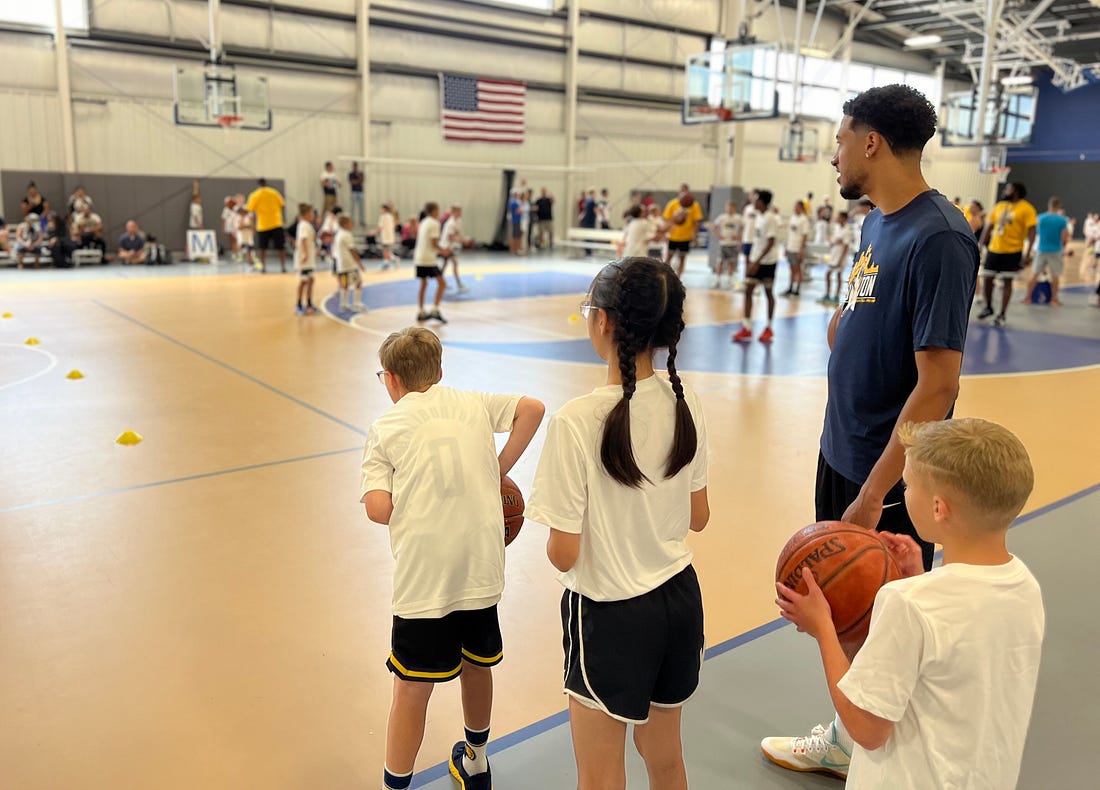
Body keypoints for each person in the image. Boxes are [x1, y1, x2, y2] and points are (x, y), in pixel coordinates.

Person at [760, 83, 979, 780]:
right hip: (841, 448)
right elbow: (865, 310)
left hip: (888, 476)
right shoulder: (875, 224)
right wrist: (845, 326)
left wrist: (873, 492)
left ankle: (880, 756)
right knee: (855, 616)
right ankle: (856, 742)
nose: (833, 155)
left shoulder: (940, 236)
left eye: (838, 139)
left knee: (886, 624)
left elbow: (938, 383)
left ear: (870, 142)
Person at [775, 418, 1044, 789]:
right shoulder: (1024, 586)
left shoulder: (906, 603)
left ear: (938, 508)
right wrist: (920, 577)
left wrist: (823, 629)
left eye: (908, 485)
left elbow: (866, 729)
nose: (902, 494)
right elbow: (955, 652)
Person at [527, 256, 709, 790]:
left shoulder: (576, 421)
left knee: (601, 777)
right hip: (679, 601)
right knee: (667, 759)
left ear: (603, 321)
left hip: (609, 615)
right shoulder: (686, 400)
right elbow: (698, 516)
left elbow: (563, 554)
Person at [362, 328, 544, 790]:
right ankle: (478, 761)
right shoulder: (473, 402)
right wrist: (497, 469)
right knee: (477, 665)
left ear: (392, 381)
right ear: (440, 372)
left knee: (410, 688)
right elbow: (533, 408)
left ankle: (394, 785)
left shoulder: (387, 426)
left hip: (426, 580)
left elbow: (378, 510)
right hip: (481, 568)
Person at [978, 182, 1037, 327]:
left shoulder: (1027, 209)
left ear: (1015, 191)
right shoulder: (999, 206)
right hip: (994, 249)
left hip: (1013, 251)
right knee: (987, 278)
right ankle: (988, 307)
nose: (1005, 191)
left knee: (1007, 282)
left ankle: (1002, 314)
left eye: (1008, 188)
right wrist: (979, 245)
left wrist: (1028, 253)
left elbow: (1032, 231)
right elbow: (990, 226)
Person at [731, 189, 779, 342]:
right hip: (755, 259)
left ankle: (769, 328)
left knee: (768, 293)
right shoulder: (759, 216)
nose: (754, 202)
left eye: (757, 200)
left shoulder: (770, 218)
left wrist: (756, 262)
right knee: (748, 291)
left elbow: (770, 243)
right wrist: (751, 260)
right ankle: (746, 327)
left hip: (767, 262)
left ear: (763, 202)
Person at [1022, 196, 1071, 306]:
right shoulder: (1062, 220)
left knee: (1034, 274)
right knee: (1055, 275)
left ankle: (1028, 297)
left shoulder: (1040, 218)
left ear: (1048, 205)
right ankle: (1054, 299)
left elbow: (1035, 233)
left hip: (1041, 249)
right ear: (1059, 206)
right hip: (1056, 250)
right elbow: (1064, 237)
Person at [414, 202, 447, 323]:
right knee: (442, 283)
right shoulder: (434, 223)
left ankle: (421, 311)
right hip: (428, 259)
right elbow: (433, 242)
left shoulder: (423, 222)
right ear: (434, 211)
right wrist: (443, 251)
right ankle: (435, 309)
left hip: (419, 257)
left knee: (423, 284)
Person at [245, 178, 287, 273]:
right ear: (266, 184)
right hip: (277, 222)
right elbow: (282, 205)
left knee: (262, 248)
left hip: (263, 225)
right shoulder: (274, 192)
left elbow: (249, 209)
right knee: (281, 247)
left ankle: (263, 267)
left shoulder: (255, 195)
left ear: (258, 185)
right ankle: (283, 266)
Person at [662, 192, 703, 277]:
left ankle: (678, 277)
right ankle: (665, 275)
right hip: (673, 236)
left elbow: (696, 222)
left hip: (686, 237)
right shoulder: (672, 204)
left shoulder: (694, 205)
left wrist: (695, 236)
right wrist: (666, 232)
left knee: (682, 259)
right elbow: (666, 219)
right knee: (668, 257)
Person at [820, 210, 852, 305]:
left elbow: (846, 247)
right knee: (828, 274)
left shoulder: (847, 231)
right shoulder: (837, 228)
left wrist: (841, 260)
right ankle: (827, 294)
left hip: (840, 257)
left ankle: (836, 296)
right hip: (833, 254)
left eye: (839, 217)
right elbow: (834, 241)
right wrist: (831, 241)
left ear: (844, 219)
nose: (837, 219)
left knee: (838, 276)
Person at [710, 199, 744, 290]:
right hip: (723, 243)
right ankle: (717, 280)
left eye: (731, 208)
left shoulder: (738, 218)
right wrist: (719, 235)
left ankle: (729, 281)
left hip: (733, 243)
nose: (729, 209)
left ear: (734, 208)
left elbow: (744, 228)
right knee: (720, 262)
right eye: (728, 207)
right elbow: (714, 226)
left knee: (731, 262)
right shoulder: (722, 217)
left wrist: (739, 237)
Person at [334, 215, 365, 312]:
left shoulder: (338, 234)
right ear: (346, 224)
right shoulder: (347, 235)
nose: (352, 225)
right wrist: (359, 263)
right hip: (349, 264)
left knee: (345, 284)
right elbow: (352, 250)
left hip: (341, 264)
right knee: (358, 282)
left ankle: (344, 304)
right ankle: (356, 303)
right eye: (350, 223)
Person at [439, 206, 471, 294]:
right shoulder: (450, 223)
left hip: (449, 246)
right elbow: (450, 238)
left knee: (445, 265)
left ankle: (441, 282)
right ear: (453, 212)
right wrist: (463, 240)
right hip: (445, 246)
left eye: (460, 211)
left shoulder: (458, 221)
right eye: (458, 212)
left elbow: (457, 233)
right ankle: (459, 284)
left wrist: (463, 238)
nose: (460, 213)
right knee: (454, 263)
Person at [293, 204, 318, 315]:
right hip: (304, 259)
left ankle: (309, 303)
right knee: (303, 281)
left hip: (309, 258)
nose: (313, 215)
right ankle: (298, 304)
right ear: (306, 214)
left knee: (311, 280)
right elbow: (303, 240)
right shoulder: (303, 225)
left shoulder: (307, 225)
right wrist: (306, 254)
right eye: (311, 213)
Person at [783, 199, 810, 297]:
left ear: (801, 207)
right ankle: (790, 287)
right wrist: (786, 247)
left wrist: (801, 250)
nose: (795, 208)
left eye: (797, 206)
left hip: (797, 248)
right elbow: (789, 234)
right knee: (791, 268)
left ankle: (797, 289)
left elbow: (805, 236)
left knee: (797, 269)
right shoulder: (792, 218)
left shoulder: (804, 219)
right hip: (790, 246)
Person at [375, 202, 398, 270]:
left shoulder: (383, 216)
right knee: (387, 251)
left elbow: (380, 227)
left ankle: (388, 262)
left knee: (385, 250)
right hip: (390, 236)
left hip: (386, 236)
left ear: (384, 209)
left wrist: (374, 232)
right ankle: (392, 261)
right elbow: (394, 226)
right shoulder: (390, 216)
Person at [348, 162, 365, 227]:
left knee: (362, 207)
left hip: (360, 192)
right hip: (354, 192)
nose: (355, 168)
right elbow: (352, 182)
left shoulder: (361, 173)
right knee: (352, 207)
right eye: (354, 166)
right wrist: (358, 181)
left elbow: (362, 180)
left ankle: (362, 221)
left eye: (356, 166)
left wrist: (358, 176)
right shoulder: (350, 174)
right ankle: (351, 221)